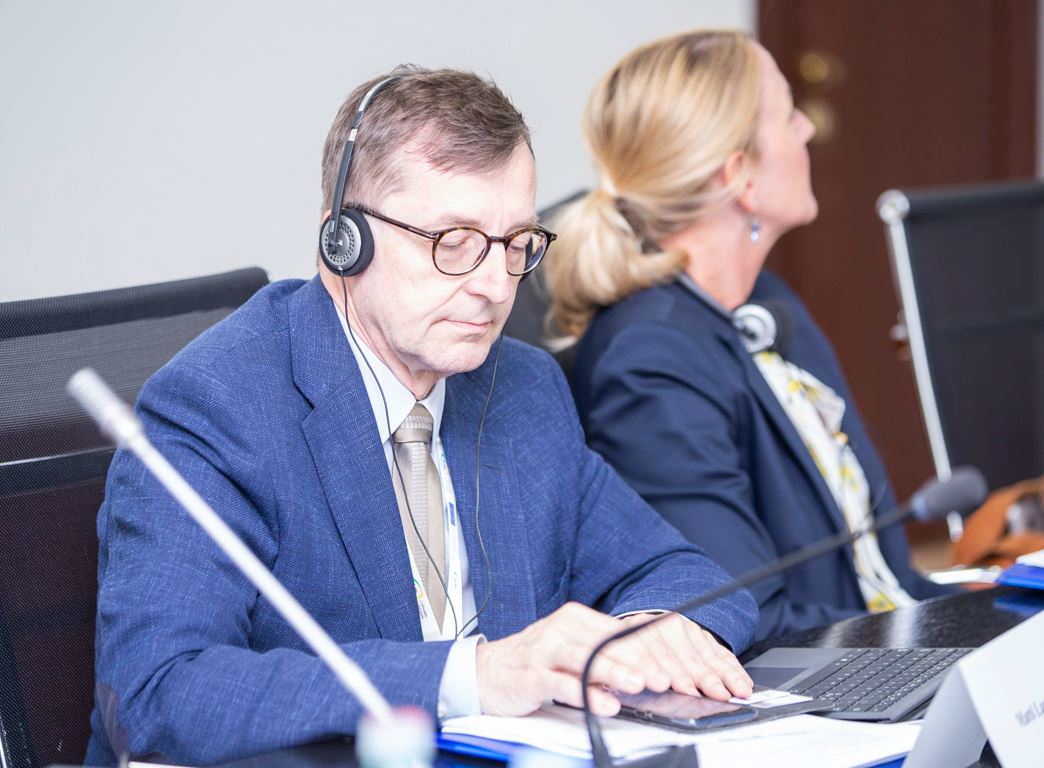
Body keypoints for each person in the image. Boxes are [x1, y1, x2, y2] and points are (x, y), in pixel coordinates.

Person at [86, 66, 758, 766]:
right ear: (344, 241)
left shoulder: (522, 389)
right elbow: (158, 691)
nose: (495, 286)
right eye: (454, 241)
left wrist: (646, 632)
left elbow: (683, 572)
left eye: (516, 243)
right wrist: (474, 676)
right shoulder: (217, 407)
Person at [547, 30, 952, 643]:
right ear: (741, 176)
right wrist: (937, 639)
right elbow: (747, 619)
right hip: (815, 682)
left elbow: (882, 576)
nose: (808, 129)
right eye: (788, 115)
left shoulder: (767, 301)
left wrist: (995, 613)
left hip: (883, 645)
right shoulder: (649, 361)